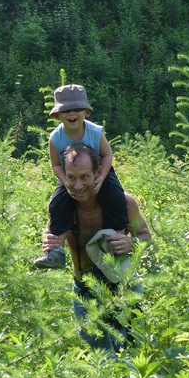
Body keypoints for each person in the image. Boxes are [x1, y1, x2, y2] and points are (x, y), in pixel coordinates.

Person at [42, 144, 151, 353]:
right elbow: (50, 232)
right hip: (85, 291)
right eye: (71, 178)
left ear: (98, 173)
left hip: (123, 287)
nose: (78, 185)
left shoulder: (123, 202)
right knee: (99, 360)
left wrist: (132, 243)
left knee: (133, 353)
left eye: (84, 177)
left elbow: (145, 235)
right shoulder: (62, 207)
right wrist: (49, 242)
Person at [34, 84, 128, 269]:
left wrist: (101, 178)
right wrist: (66, 182)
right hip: (70, 176)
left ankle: (116, 243)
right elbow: (55, 165)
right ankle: (56, 252)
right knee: (57, 204)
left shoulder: (95, 131)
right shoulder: (55, 137)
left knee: (116, 198)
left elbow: (107, 155)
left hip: (100, 172)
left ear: (86, 111)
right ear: (57, 115)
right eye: (66, 110)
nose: (72, 114)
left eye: (77, 109)